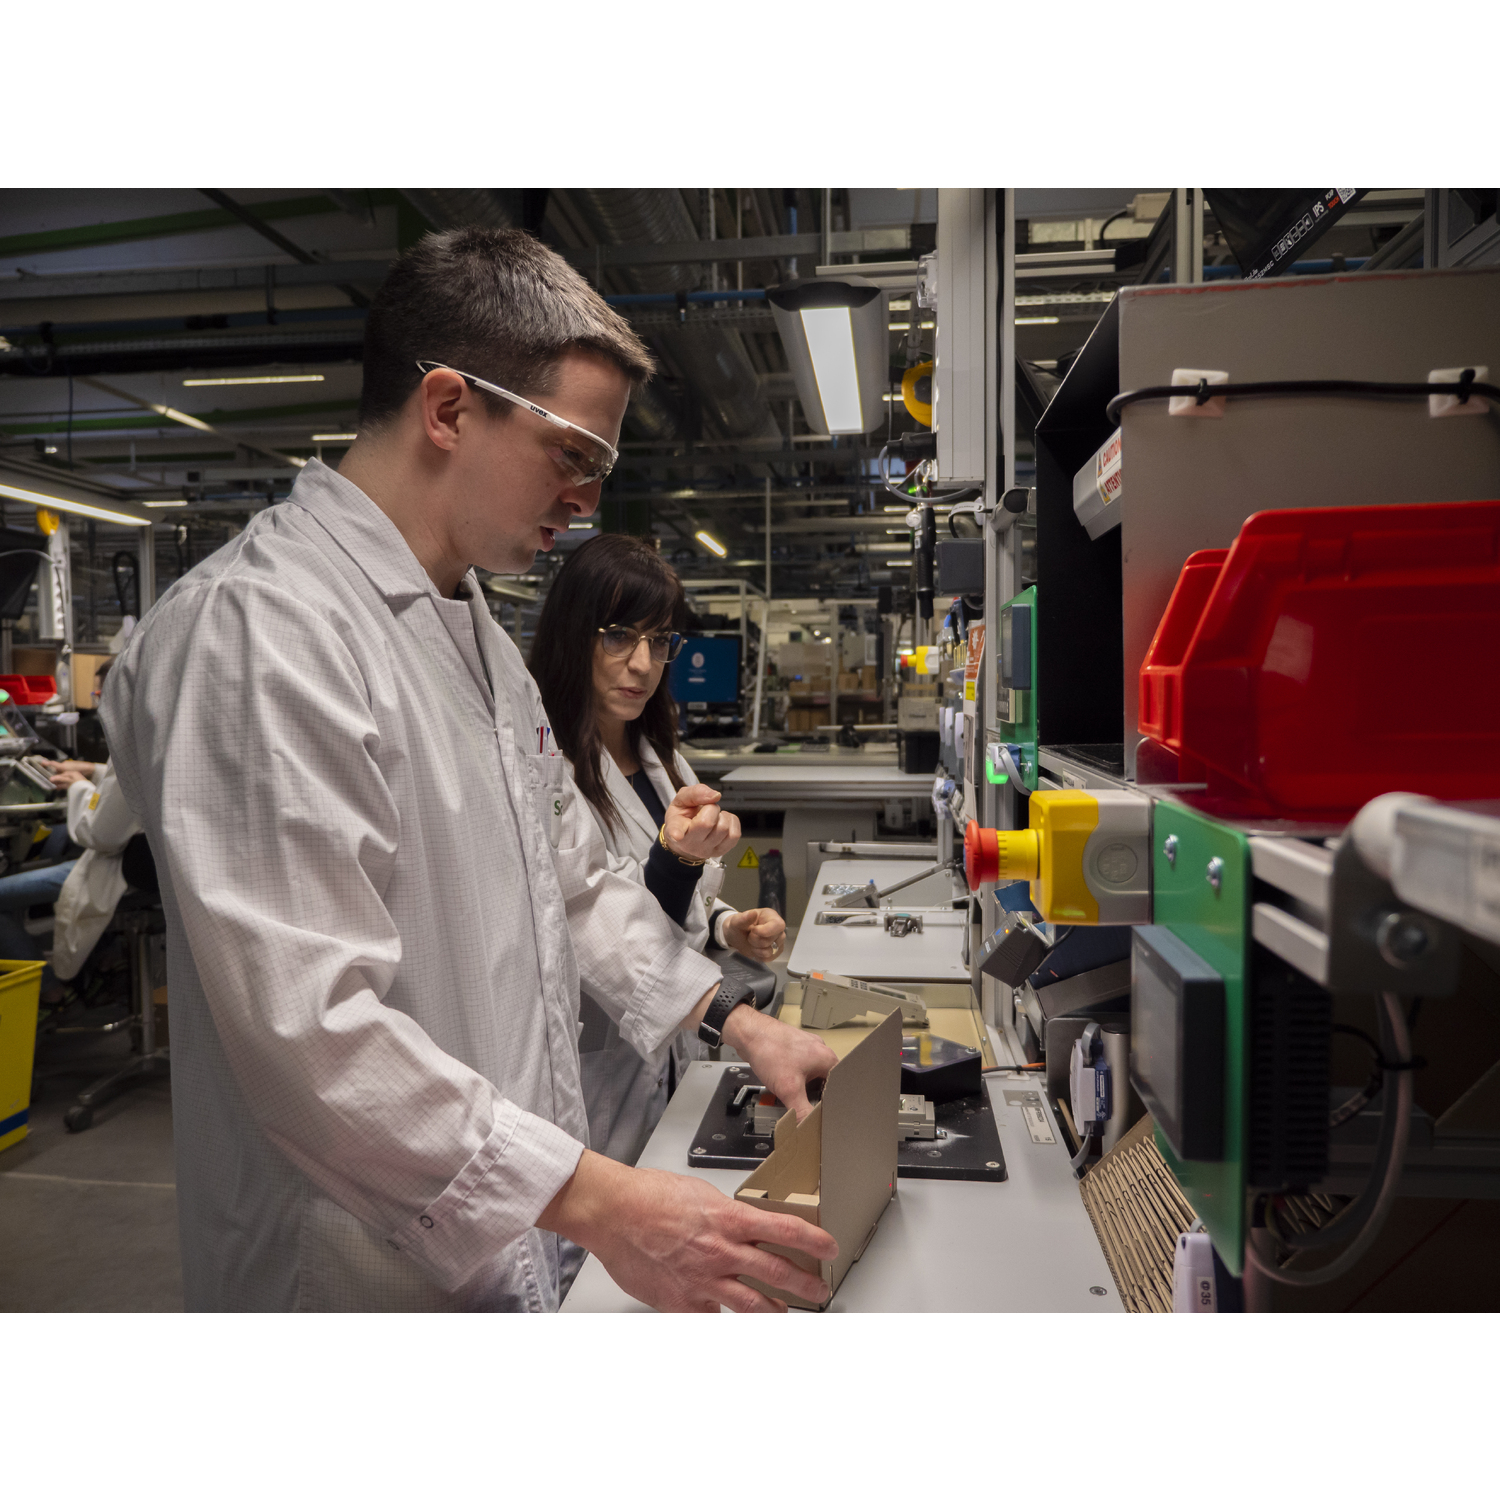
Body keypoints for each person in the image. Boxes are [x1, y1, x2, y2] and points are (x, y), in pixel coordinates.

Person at [101, 226, 840, 1314]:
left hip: (512, 1230)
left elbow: (573, 883)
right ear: (449, 408)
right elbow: (312, 1037)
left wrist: (735, 1018)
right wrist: (605, 1202)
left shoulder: (474, 636)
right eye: (574, 457)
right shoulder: (262, 631)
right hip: (352, 1278)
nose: (586, 501)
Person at [529, 533, 786, 1169]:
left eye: (660, 640)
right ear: (573, 635)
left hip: (677, 1053)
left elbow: (679, 902)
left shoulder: (662, 760)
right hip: (604, 1068)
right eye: (619, 636)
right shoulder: (545, 776)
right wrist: (676, 859)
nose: (643, 664)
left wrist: (726, 925)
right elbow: (600, 918)